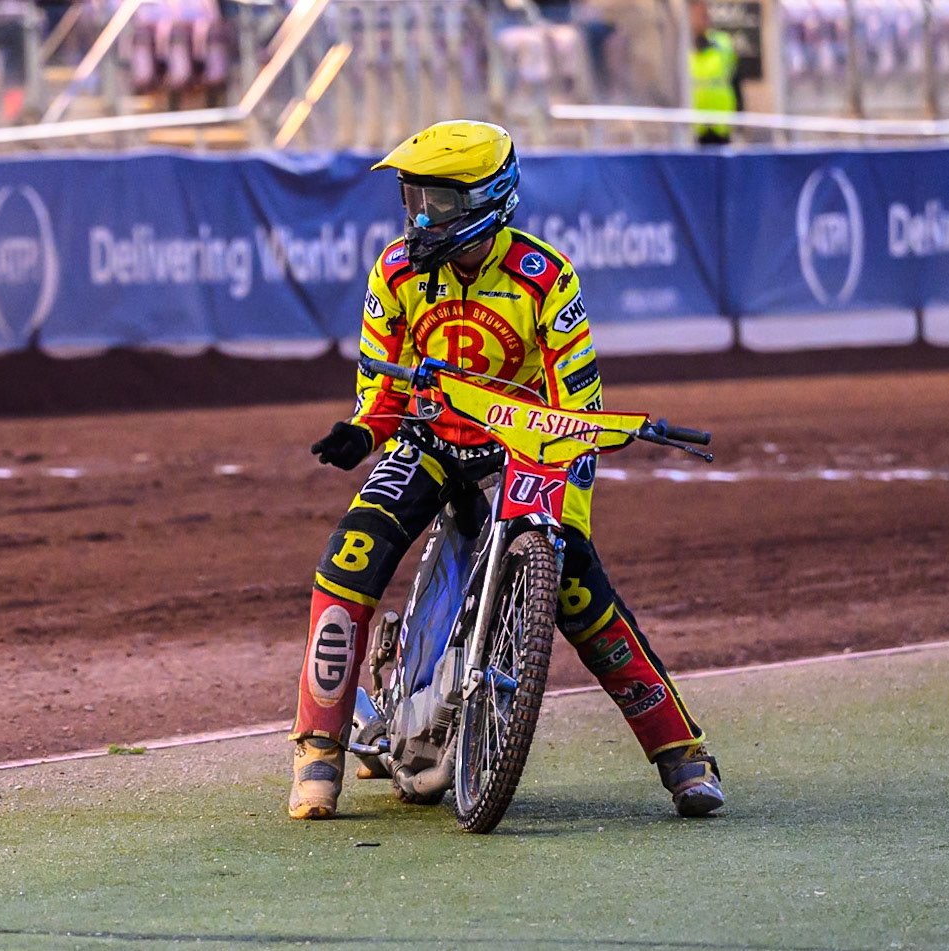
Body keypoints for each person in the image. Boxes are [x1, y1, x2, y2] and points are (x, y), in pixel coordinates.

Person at [287, 119, 725, 822]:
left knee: (578, 590)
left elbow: (577, 409)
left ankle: (680, 751)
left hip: (523, 450)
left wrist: (563, 523)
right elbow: (381, 382)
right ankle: (317, 747)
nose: (420, 216)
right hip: (428, 441)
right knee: (349, 558)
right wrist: (363, 429)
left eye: (439, 201)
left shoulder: (545, 276)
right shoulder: (396, 269)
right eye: (413, 198)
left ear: (490, 199)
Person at [688, 0, 740, 146]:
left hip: (721, 123)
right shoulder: (682, 45)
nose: (701, 19)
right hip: (693, 124)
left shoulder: (723, 42)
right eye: (697, 14)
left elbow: (735, 80)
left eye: (704, 14)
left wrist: (740, 115)